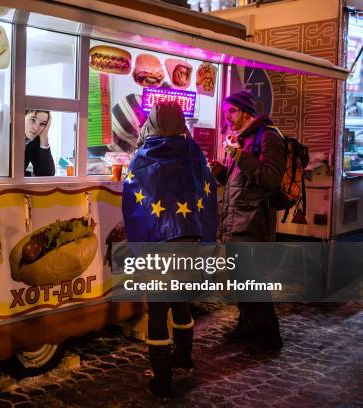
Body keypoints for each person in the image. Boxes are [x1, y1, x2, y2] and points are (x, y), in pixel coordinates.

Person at [122, 101, 217, 398]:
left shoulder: (142, 156)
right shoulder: (193, 152)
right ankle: (184, 357)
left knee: (158, 310)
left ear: (152, 120)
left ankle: (162, 382)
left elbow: (132, 201)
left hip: (158, 244)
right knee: (181, 299)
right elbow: (209, 189)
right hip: (189, 240)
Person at [208, 90, 285, 352]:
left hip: (253, 224)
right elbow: (241, 183)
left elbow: (271, 179)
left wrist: (240, 155)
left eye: (232, 111)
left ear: (246, 112)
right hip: (236, 221)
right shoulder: (243, 140)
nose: (227, 116)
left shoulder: (269, 137)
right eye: (225, 112)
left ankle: (268, 339)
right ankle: (247, 326)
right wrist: (221, 173)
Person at [24, 109, 55, 176]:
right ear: (20, 116)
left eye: (42, 124)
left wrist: (44, 137)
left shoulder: (34, 140)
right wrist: (31, 175)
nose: (36, 128)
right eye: (33, 120)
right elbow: (4, 174)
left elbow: (47, 175)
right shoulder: (5, 135)